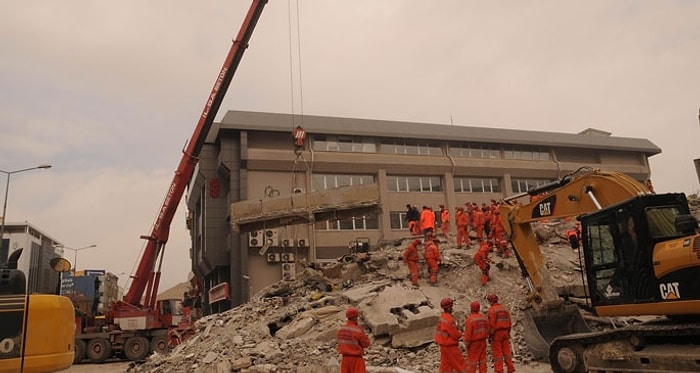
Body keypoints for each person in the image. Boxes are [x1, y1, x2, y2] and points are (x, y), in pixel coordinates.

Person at [435, 298, 467, 373]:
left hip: (443, 346)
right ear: (449, 308)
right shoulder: (449, 319)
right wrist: (460, 332)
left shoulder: (442, 317)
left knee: (445, 368)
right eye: (451, 306)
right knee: (461, 365)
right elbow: (455, 335)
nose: (452, 308)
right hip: (450, 347)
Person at [486, 294, 516, 373]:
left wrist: (490, 335)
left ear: (491, 301)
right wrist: (508, 333)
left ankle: (499, 370)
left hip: (497, 333)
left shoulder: (492, 310)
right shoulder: (505, 309)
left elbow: (492, 325)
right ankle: (510, 368)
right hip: (505, 332)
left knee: (497, 353)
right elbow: (509, 322)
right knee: (507, 352)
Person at [337, 307, 371, 373]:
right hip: (356, 360)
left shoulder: (340, 330)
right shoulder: (358, 330)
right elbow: (366, 344)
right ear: (356, 317)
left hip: (345, 360)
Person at [464, 301, 489, 373]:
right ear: (479, 308)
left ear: (471, 309)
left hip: (474, 344)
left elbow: (468, 334)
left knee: (472, 362)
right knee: (483, 361)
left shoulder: (470, 319)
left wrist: (466, 344)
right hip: (483, 342)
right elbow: (488, 330)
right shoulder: (484, 318)